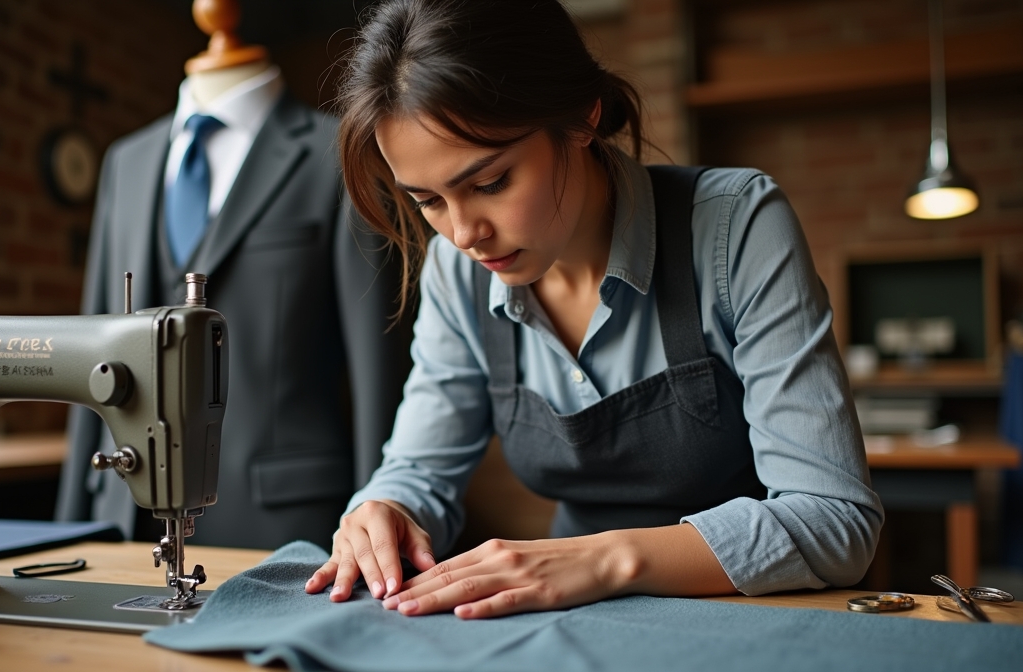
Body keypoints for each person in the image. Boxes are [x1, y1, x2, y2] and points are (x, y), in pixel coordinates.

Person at [303, 0, 884, 618]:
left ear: (582, 117)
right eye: (428, 200)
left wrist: (604, 560)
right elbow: (419, 468)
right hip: (579, 616)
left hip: (757, 612)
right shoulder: (459, 272)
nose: (464, 233)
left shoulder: (736, 226)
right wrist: (386, 510)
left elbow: (832, 518)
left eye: (491, 182)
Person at [55, 16, 409, 550]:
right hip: (122, 512)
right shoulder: (124, 164)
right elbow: (93, 343)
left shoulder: (338, 154)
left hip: (286, 524)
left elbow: (377, 366)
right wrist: (70, 522)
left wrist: (378, 520)